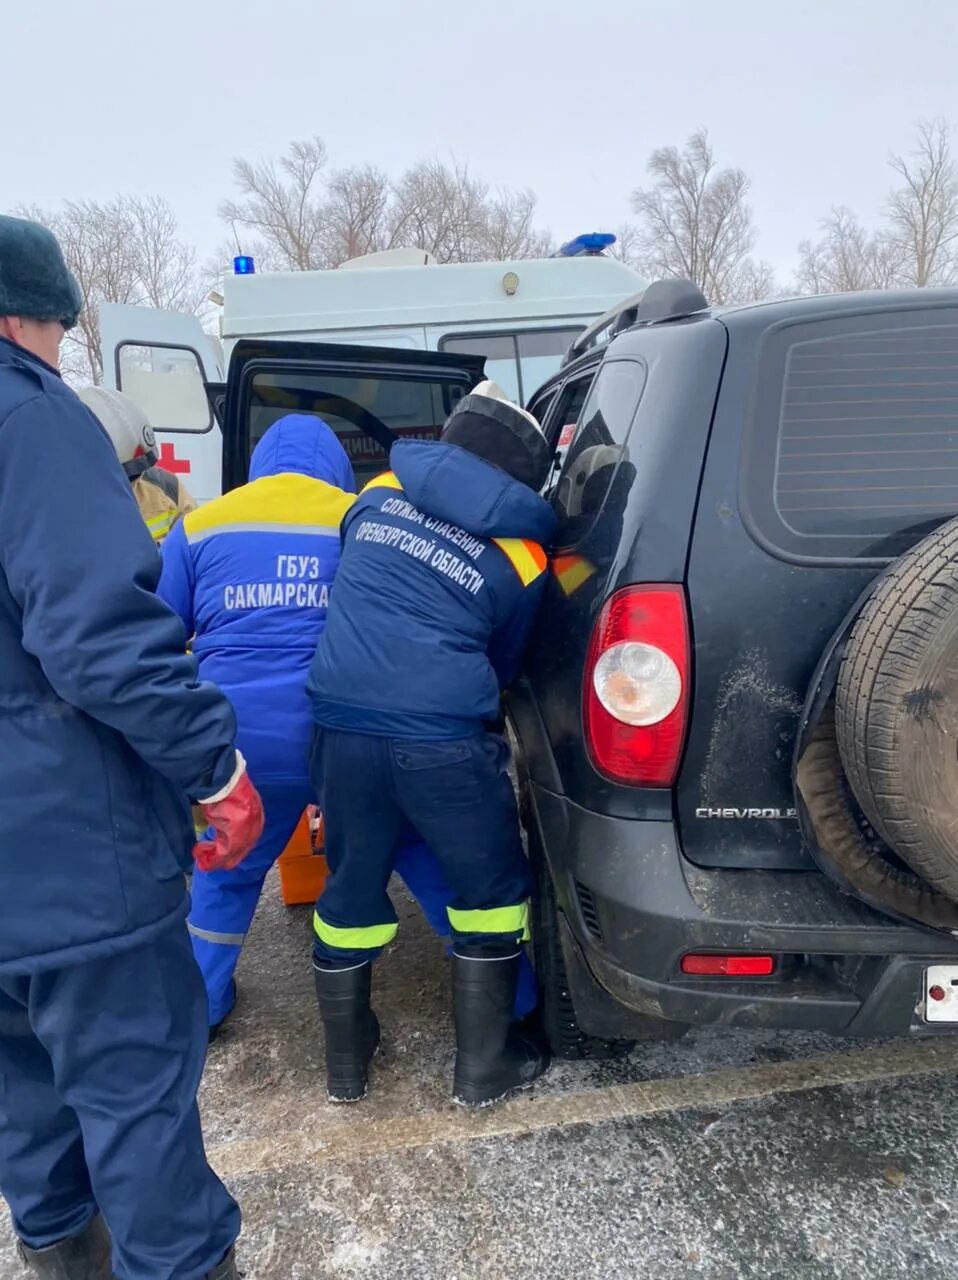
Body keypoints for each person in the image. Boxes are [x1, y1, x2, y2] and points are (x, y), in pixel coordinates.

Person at [0, 213, 264, 1280]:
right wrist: (217, 765)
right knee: (135, 1094)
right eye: (60, 329)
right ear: (33, 315)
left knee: (24, 1089)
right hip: (66, 854)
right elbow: (98, 633)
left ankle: (62, 1256)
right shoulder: (31, 418)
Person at [157, 412, 536, 1039]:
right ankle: (515, 1003)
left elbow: (158, 636)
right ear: (334, 464)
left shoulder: (200, 525)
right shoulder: (365, 512)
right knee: (429, 857)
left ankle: (201, 1006)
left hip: (238, 741)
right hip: (352, 726)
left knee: (226, 874)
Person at [307, 381, 556, 1107]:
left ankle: (346, 1067)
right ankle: (484, 1067)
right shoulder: (527, 552)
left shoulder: (377, 495)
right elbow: (505, 664)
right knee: (491, 897)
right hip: (443, 742)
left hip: (338, 727)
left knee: (350, 886)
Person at [76, 385, 196, 543]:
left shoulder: (168, 489)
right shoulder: (67, 504)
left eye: (139, 469)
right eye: (126, 474)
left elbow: (195, 541)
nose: (134, 481)